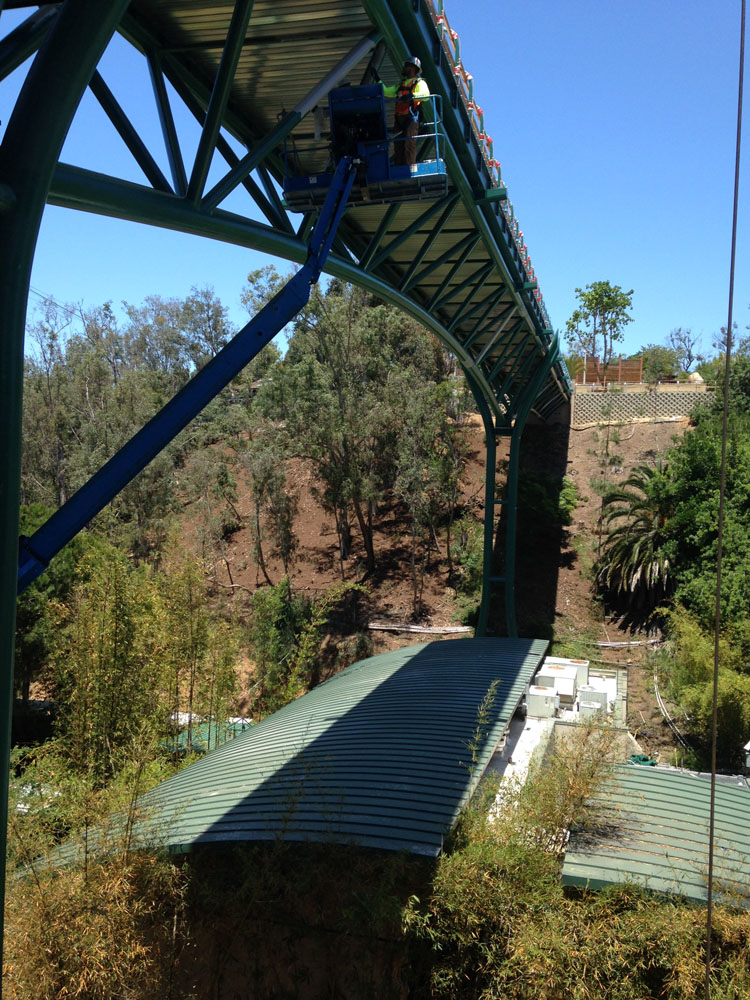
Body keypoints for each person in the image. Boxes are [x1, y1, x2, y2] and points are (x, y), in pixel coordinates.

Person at [372, 57, 429, 166]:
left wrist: (411, 95)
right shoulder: (401, 85)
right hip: (399, 118)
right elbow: (387, 92)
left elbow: (425, 95)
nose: (404, 68)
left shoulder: (419, 83)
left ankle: (408, 167)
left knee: (409, 144)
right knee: (398, 145)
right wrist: (377, 79)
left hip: (411, 118)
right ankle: (399, 167)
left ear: (412, 68)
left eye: (406, 66)